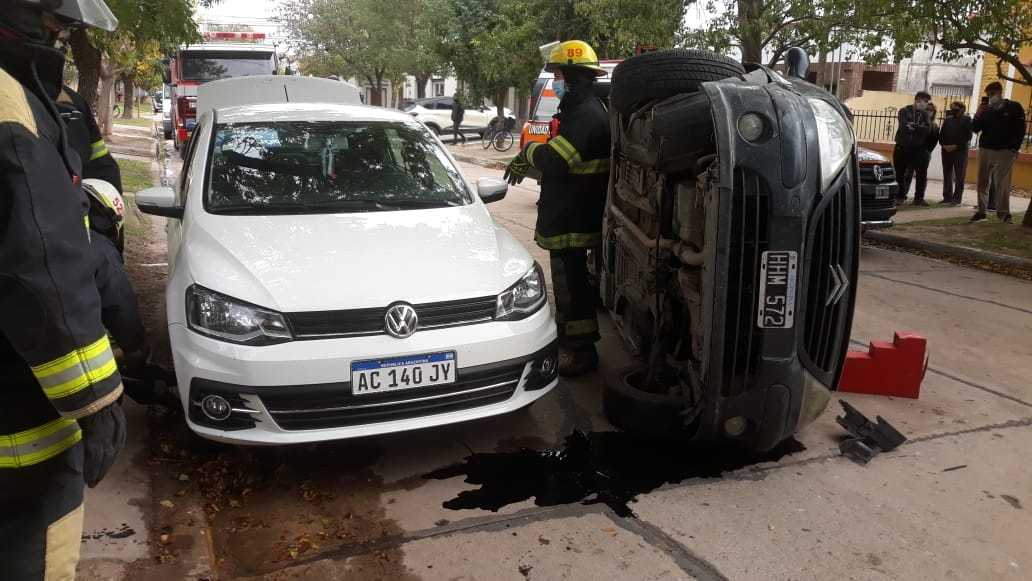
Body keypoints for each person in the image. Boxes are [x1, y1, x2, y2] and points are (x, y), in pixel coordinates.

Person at [0, 2, 127, 580]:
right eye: (55, 19)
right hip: (19, 416)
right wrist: (97, 401)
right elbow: (41, 265)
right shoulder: (10, 102)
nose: (62, 31)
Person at [504, 40, 611, 376]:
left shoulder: (586, 116)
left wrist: (527, 153)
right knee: (570, 285)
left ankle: (581, 352)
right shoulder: (582, 112)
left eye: (560, 75)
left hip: (574, 219)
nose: (557, 82)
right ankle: (570, 338)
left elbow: (554, 160)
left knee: (573, 286)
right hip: (572, 213)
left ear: (576, 78)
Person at [971, 81, 1027, 223]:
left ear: (1000, 92)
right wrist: (978, 113)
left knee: (1002, 183)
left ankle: (1004, 214)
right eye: (988, 95)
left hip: (1005, 151)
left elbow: (1020, 129)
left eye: (993, 94)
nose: (990, 97)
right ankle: (981, 211)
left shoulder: (1014, 107)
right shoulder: (987, 110)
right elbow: (975, 128)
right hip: (985, 149)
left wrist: (1014, 148)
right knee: (982, 182)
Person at [893, 91, 934, 205]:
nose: (925, 104)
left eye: (927, 102)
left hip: (918, 148)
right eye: (924, 101)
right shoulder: (904, 111)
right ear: (917, 100)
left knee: (921, 174)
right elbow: (903, 127)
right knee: (899, 173)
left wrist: (914, 126)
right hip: (902, 147)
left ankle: (919, 198)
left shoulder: (925, 115)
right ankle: (900, 196)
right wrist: (917, 127)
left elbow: (927, 129)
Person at [938, 101, 973, 206]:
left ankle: (957, 199)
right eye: (951, 108)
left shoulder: (967, 120)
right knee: (947, 174)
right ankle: (947, 197)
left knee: (959, 175)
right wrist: (944, 145)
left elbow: (968, 136)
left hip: (960, 151)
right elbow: (942, 134)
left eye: (955, 108)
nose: (953, 110)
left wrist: (956, 146)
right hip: (946, 151)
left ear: (962, 108)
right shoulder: (948, 120)